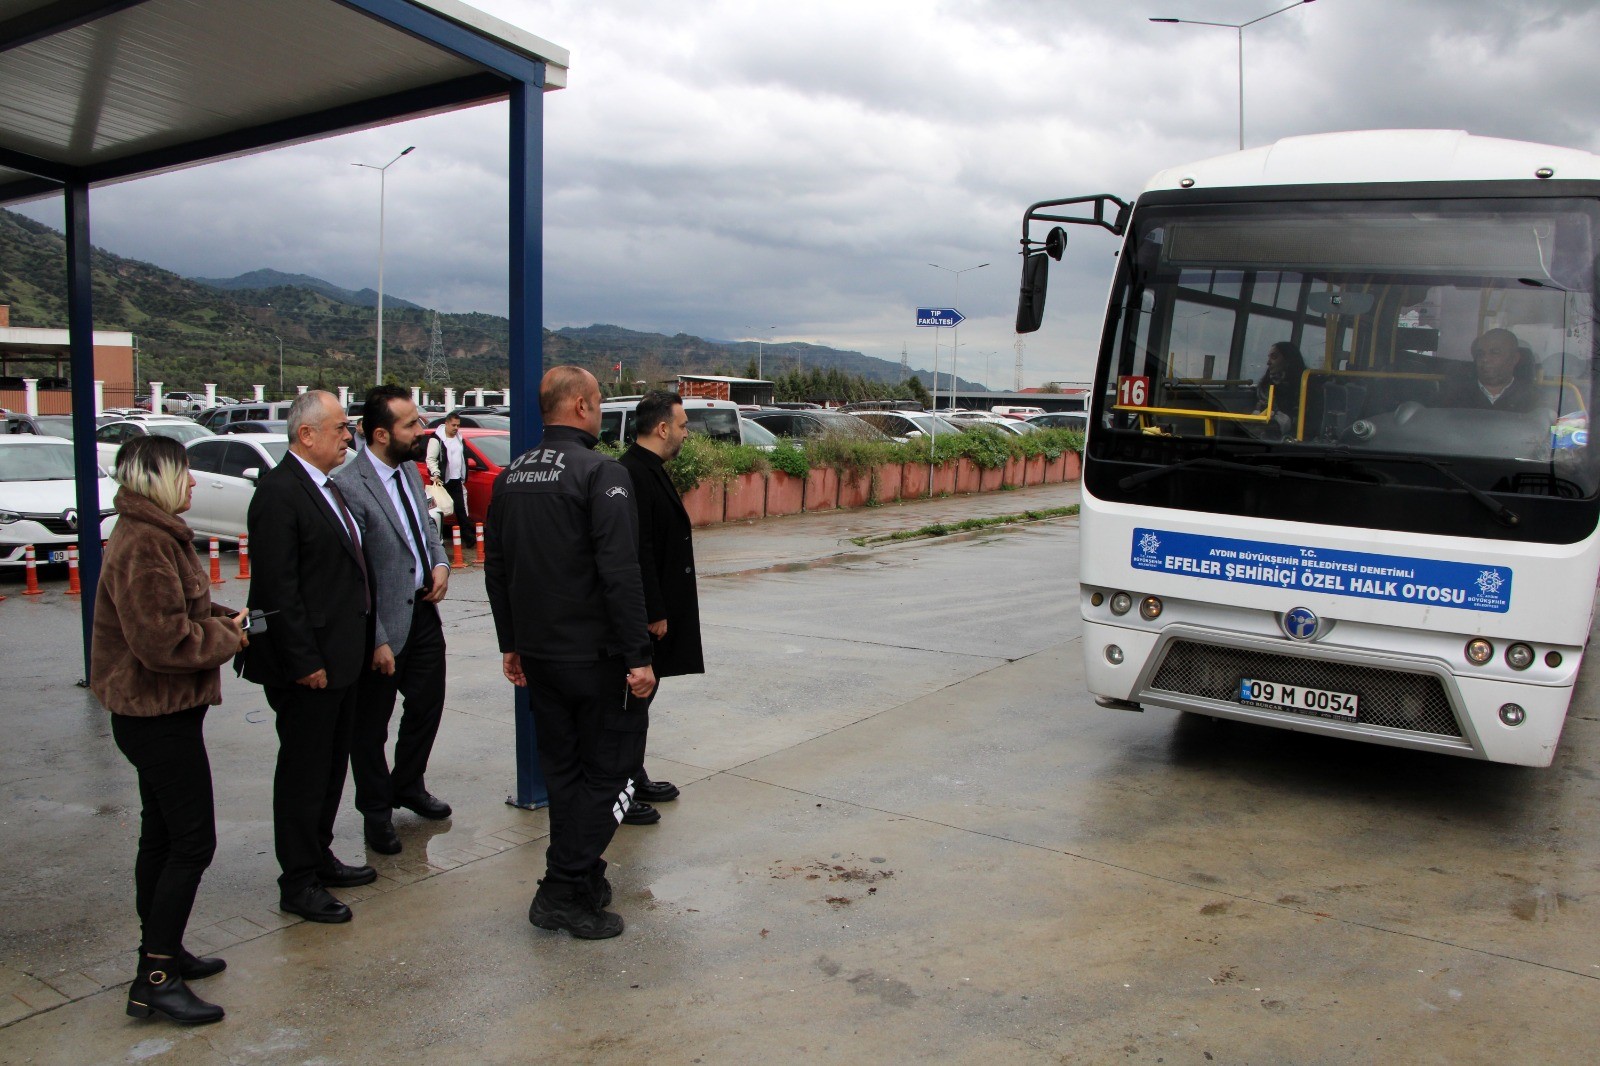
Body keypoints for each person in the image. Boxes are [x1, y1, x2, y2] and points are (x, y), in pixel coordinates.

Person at [485, 365, 656, 940]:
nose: (603, 410)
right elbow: (620, 571)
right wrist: (638, 656)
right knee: (613, 774)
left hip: (541, 656)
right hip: (596, 659)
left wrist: (511, 643)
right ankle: (561, 888)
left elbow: (497, 570)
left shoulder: (511, 477)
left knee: (564, 774)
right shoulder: (600, 473)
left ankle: (581, 878)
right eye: (600, 401)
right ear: (581, 405)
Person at [90, 436, 248, 1026]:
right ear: (157, 480)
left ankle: (162, 950)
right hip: (154, 716)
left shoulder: (156, 535)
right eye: (185, 475)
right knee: (191, 842)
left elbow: (178, 615)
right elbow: (161, 642)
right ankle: (154, 976)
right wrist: (229, 637)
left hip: (164, 713)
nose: (193, 485)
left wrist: (217, 617)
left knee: (160, 837)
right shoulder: (145, 543)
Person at [239, 390, 376, 924]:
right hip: (309, 665)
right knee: (303, 772)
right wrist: (304, 661)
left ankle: (318, 857)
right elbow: (278, 587)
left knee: (329, 766)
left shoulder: (326, 487)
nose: (349, 436)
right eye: (341, 428)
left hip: (341, 657)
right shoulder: (279, 493)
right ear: (307, 435)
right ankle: (297, 880)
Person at [333, 386, 452, 856]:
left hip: (423, 613)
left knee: (428, 704)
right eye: (410, 425)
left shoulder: (406, 469)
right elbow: (355, 574)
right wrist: (376, 638)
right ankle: (377, 812)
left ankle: (408, 783)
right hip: (378, 628)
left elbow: (425, 528)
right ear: (381, 434)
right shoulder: (348, 485)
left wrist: (440, 564)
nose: (421, 431)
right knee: (370, 728)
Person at [617, 391, 704, 823]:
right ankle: (621, 788)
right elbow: (639, 550)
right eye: (684, 425)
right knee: (630, 703)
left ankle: (634, 774)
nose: (687, 433)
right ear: (662, 428)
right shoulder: (631, 473)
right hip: (645, 616)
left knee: (642, 701)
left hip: (658, 609)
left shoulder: (649, 469)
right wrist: (653, 610)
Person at [1443, 328, 1545, 412]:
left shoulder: (1539, 401)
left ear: (1514, 358)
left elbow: (1559, 436)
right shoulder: (1454, 398)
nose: (1485, 359)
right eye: (1480, 354)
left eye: (1495, 353)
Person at [426, 410, 476, 557]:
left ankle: (469, 539)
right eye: (453, 425)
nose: (456, 428)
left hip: (456, 479)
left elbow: (462, 457)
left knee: (461, 509)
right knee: (440, 511)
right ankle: (437, 541)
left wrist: (463, 475)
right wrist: (435, 473)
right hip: (441, 481)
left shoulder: (459, 439)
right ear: (446, 423)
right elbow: (430, 459)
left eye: (458, 425)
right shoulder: (437, 439)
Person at [1254, 341, 1307, 438]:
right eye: (1268, 357)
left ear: (1288, 360)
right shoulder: (1265, 387)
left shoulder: (1305, 386)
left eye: (1274, 357)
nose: (1268, 362)